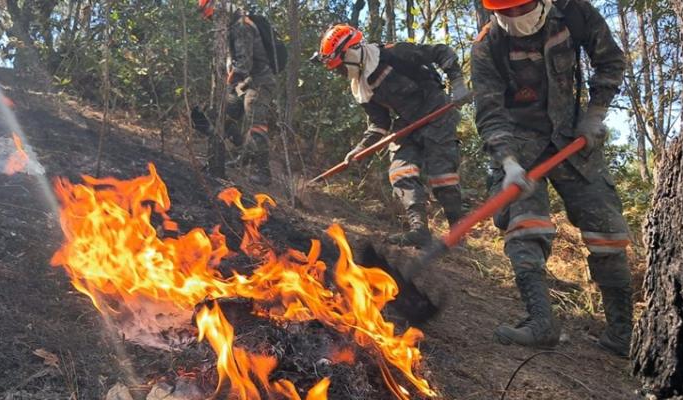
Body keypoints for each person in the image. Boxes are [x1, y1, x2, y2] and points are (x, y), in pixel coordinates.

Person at [471, 0, 632, 356]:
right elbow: (489, 111)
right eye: (504, 12)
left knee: (606, 229)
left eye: (520, 7)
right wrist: (509, 162)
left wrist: (595, 115)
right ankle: (540, 322)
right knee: (524, 225)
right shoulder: (487, 46)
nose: (514, 17)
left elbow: (610, 61)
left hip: (573, 138)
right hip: (519, 143)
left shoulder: (573, 13)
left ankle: (623, 335)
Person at [314, 24, 471, 247]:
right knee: (400, 171)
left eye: (340, 67)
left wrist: (457, 83)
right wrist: (360, 149)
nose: (340, 73)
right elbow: (380, 123)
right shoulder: (360, 87)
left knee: (441, 175)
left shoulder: (394, 53)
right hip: (407, 122)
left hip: (436, 111)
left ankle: (458, 232)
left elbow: (441, 51)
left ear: (351, 52)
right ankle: (419, 231)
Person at [196, 0, 275, 185]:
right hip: (243, 83)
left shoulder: (242, 26)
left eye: (213, 17)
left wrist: (225, 83)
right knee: (225, 113)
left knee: (254, 114)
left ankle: (263, 171)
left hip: (260, 81)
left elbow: (243, 65)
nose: (213, 21)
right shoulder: (232, 26)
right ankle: (240, 156)